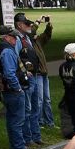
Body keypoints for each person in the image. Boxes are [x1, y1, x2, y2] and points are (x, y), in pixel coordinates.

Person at [16, 13, 54, 142]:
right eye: (27, 24)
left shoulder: (35, 41)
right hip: (33, 75)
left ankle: (46, 124)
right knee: (36, 102)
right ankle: (38, 125)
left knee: (45, 100)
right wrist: (37, 22)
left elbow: (47, 36)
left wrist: (49, 25)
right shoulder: (24, 40)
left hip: (41, 73)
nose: (30, 27)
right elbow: (31, 31)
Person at [0, 25, 32, 149]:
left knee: (12, 119)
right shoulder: (7, 51)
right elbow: (9, 74)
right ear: (6, 37)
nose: (16, 39)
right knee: (17, 119)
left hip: (9, 90)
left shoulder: (6, 49)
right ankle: (19, 146)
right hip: (13, 91)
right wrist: (18, 88)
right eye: (13, 36)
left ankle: (15, 145)